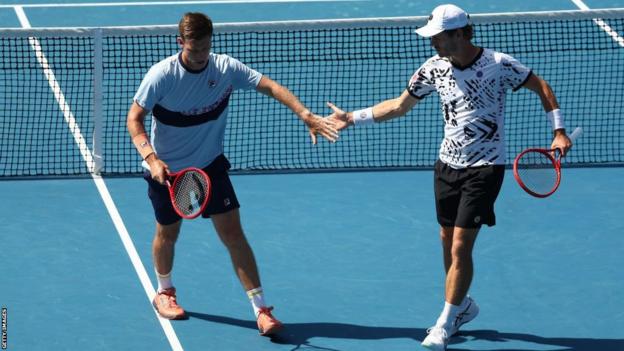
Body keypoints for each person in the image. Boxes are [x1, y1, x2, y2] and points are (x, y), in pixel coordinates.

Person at [326, 4, 572, 350]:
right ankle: (463, 305)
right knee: (446, 239)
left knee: (460, 244)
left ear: (459, 34)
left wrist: (558, 130)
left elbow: (541, 86)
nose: (433, 43)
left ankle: (444, 322)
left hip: (485, 167)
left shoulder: (499, 65)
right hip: (446, 166)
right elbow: (399, 106)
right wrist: (351, 117)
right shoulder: (433, 69)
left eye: (438, 37)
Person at [127, 12, 338, 336]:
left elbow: (270, 86)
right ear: (180, 43)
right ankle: (164, 292)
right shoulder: (161, 76)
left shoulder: (225, 68)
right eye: (195, 50)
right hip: (167, 171)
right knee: (168, 233)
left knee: (233, 234)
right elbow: (135, 119)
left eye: (206, 49)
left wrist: (305, 114)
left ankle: (262, 310)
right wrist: (152, 159)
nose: (201, 57)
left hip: (210, 166)